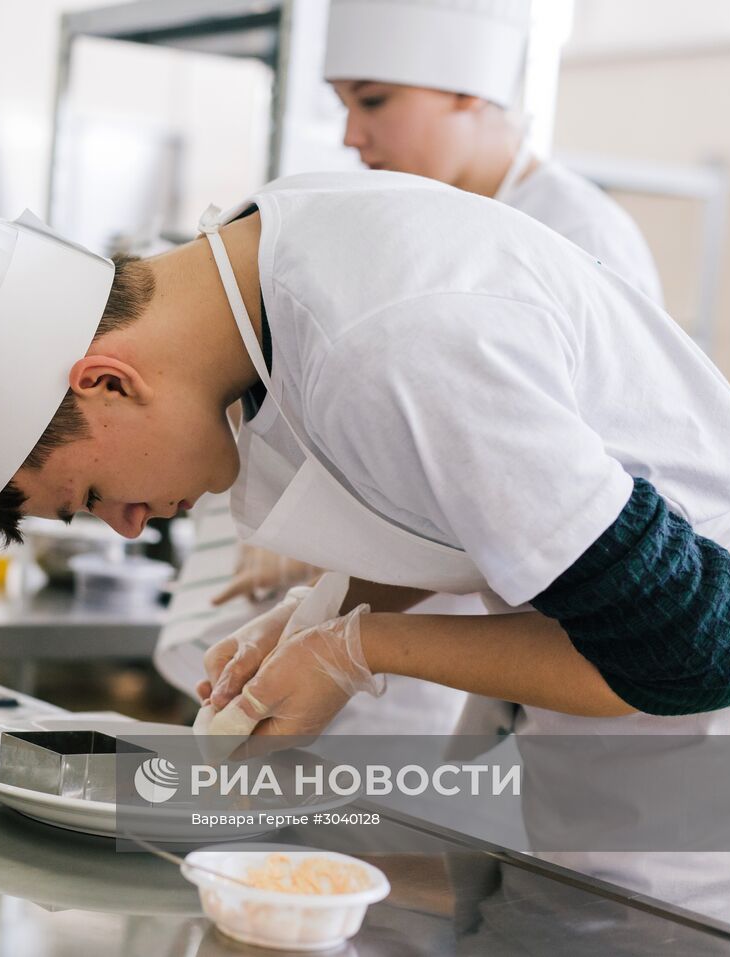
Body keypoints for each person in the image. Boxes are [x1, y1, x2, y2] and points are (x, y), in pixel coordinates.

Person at [0, 148, 730, 945]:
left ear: (104, 379)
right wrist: (328, 609)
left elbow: (693, 659)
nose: (129, 529)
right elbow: (434, 487)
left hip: (718, 733)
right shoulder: (273, 254)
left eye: (90, 497)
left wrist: (361, 648)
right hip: (615, 709)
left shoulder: (398, 340)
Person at [173, 0, 671, 735]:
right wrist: (315, 602)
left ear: (470, 90)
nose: (351, 135)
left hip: (622, 665)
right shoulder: (420, 223)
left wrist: (341, 619)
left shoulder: (578, 231)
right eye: (342, 105)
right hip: (503, 653)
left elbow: (568, 515)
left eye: (374, 100)